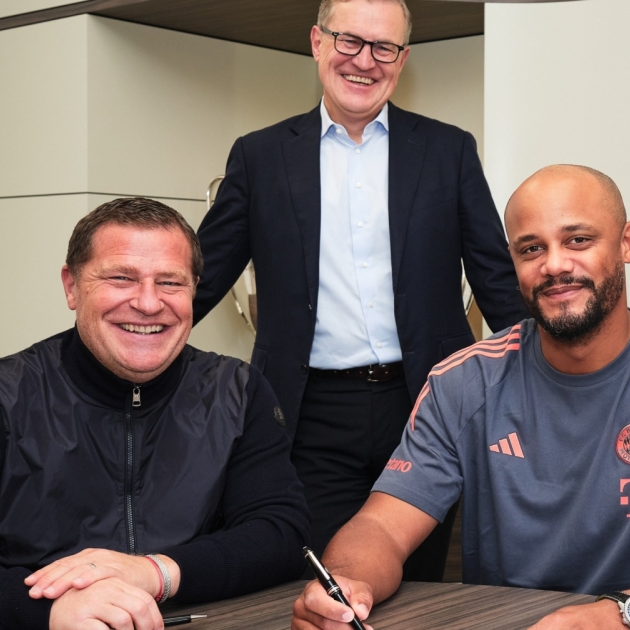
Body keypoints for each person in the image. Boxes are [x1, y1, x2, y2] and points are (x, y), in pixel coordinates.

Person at [290, 165, 630, 630]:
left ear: (627, 243)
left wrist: (613, 618)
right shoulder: (463, 382)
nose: (554, 265)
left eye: (578, 240)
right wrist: (347, 583)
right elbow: (381, 527)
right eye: (531, 249)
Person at [192, 0, 527, 578]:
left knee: (418, 586)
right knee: (326, 583)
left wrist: (559, 378)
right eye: (349, 41)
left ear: (403, 59)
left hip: (428, 408)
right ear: (317, 42)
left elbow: (496, 281)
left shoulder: (448, 151)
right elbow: (200, 279)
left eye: (384, 48)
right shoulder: (260, 156)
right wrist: (126, 341)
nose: (364, 61)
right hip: (309, 415)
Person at [0, 198, 310, 630]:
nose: (148, 303)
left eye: (170, 282)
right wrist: (48, 611)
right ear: (72, 287)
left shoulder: (237, 390)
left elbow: (280, 533)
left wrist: (154, 572)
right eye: (121, 278)